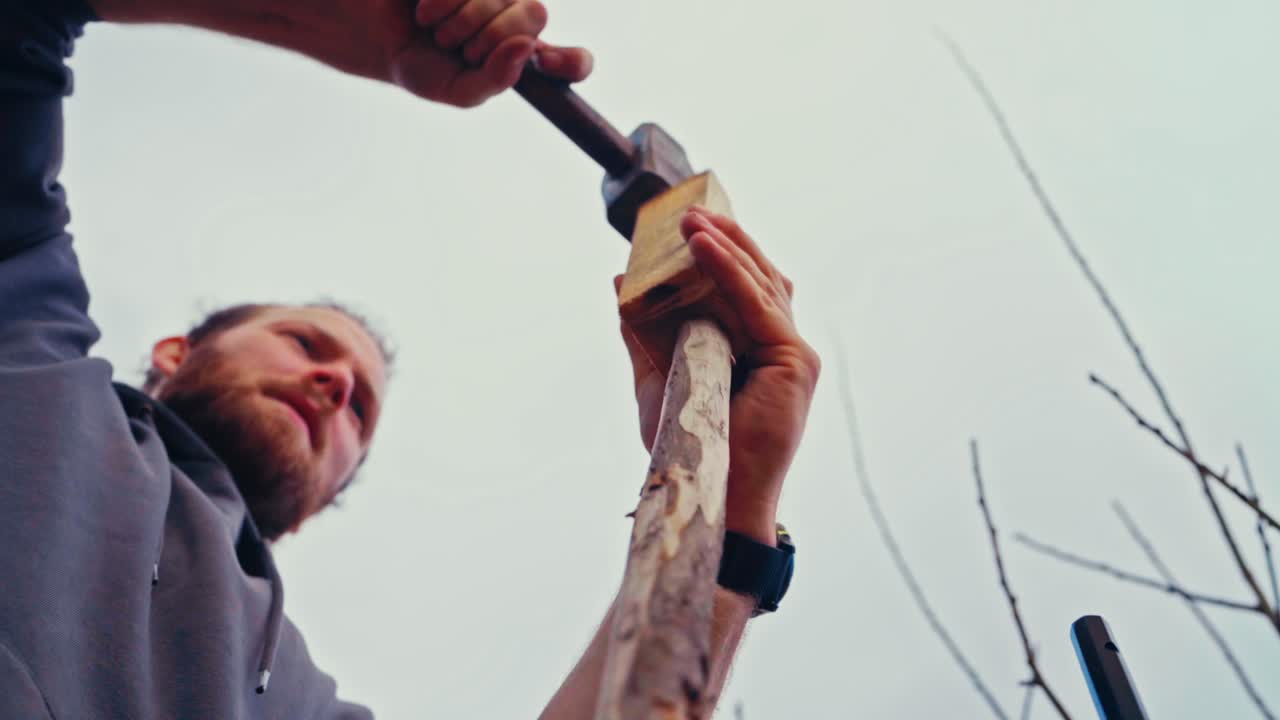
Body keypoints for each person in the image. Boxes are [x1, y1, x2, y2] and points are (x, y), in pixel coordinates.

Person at [0, 0, 822, 717]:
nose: (334, 384)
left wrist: (734, 511)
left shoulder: (286, 696)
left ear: (329, 496)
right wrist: (350, 19)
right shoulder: (26, 348)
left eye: (359, 407)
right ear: (174, 352)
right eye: (303, 343)